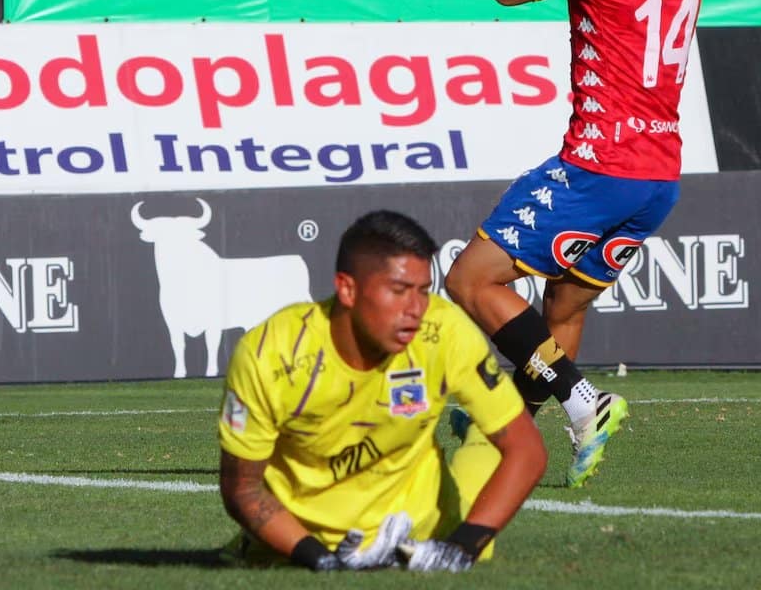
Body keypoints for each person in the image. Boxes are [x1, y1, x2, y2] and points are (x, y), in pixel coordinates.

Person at [445, 0, 759, 488]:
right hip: (658, 179)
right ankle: (507, 434)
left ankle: (584, 403)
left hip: (596, 166)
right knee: (562, 310)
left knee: (472, 281)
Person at [217, 210, 547, 573]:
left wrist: (459, 549)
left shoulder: (443, 330)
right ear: (347, 289)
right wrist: (320, 560)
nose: (416, 309)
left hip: (423, 534)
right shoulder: (272, 353)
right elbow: (242, 489)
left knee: (491, 440)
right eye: (399, 291)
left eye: (423, 291)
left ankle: (476, 432)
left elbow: (526, 449)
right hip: (303, 540)